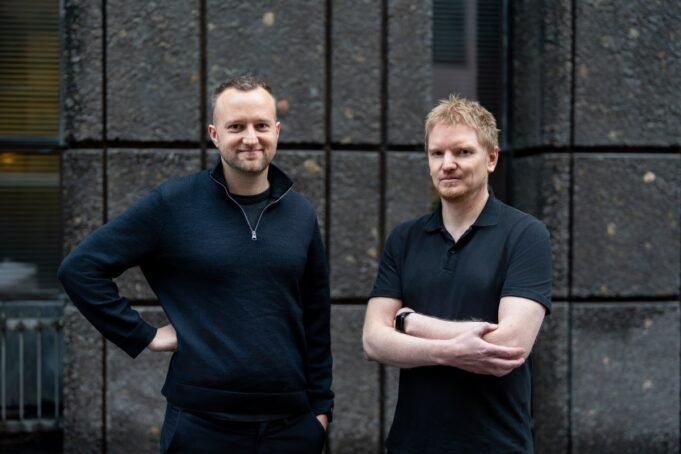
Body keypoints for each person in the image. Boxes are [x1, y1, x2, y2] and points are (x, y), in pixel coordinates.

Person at [58, 75, 333, 453]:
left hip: (291, 426)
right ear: (214, 135)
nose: (250, 138)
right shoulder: (173, 204)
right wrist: (145, 334)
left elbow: (316, 318)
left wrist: (320, 412)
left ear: (277, 131)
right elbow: (80, 269)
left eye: (261, 125)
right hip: (201, 425)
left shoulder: (300, 213)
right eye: (236, 127)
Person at [362, 95, 552, 453]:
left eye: (462, 152)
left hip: (495, 445)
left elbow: (509, 345)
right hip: (411, 445)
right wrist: (451, 351)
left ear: (491, 158)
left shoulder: (526, 235)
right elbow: (373, 340)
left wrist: (410, 322)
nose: (447, 164)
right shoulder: (404, 238)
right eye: (437, 153)